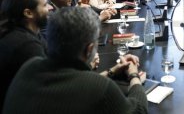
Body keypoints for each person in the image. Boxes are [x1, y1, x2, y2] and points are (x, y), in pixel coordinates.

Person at [2, 7, 148, 114]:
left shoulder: (29, 66)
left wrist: (112, 71)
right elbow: (138, 111)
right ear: (89, 49)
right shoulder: (99, 87)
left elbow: (70, 83)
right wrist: (134, 76)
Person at [0, 0, 49, 108]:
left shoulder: (27, 33)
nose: (51, 8)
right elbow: (47, 86)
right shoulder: (26, 46)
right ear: (28, 13)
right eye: (45, 5)